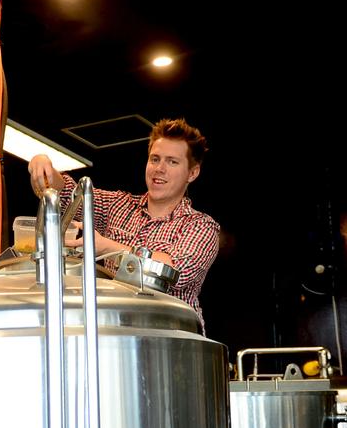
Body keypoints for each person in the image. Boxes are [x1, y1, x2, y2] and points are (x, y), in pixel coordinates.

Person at [28, 117, 220, 333]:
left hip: (172, 337)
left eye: (172, 162)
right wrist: (43, 164)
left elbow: (174, 272)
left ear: (192, 173)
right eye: (155, 159)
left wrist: (108, 247)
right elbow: (67, 196)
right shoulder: (118, 205)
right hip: (116, 333)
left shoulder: (200, 226)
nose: (159, 169)